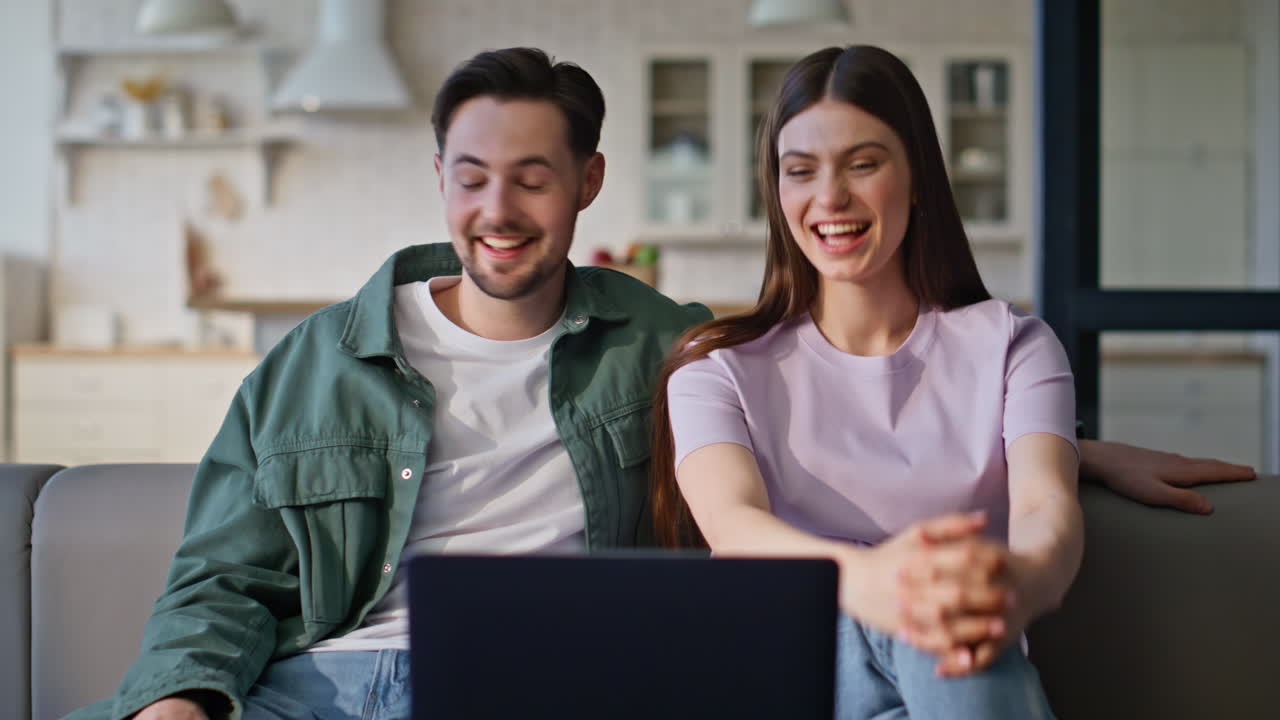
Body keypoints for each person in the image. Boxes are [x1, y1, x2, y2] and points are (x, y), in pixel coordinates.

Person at [75, 47, 1252, 720]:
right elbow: (219, 578)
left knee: (949, 652)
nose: (499, 211)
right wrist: (177, 701)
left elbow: (885, 381)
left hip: (526, 689)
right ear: (439, 178)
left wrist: (1062, 442)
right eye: (474, 177)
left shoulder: (660, 343)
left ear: (586, 185)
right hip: (315, 688)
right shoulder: (312, 366)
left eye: (532, 178)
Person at [649, 44, 1160, 719]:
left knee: (937, 615)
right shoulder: (716, 370)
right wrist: (872, 581)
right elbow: (734, 523)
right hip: (785, 659)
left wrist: (1021, 585)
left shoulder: (1015, 347)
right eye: (801, 170)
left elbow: (1045, 511)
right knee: (928, 602)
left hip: (952, 659)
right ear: (778, 191)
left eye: (863, 164)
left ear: (918, 177)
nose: (830, 197)